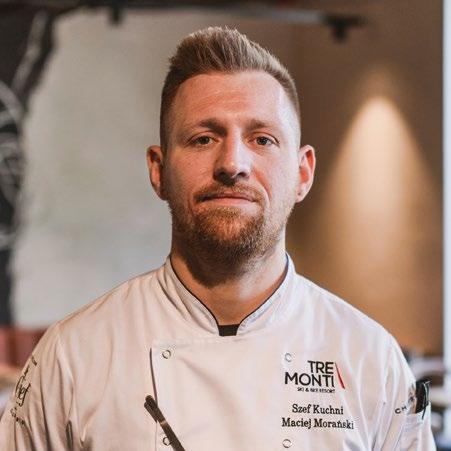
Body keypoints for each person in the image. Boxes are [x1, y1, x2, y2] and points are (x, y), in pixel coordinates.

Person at [0, 26, 435, 450]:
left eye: (262, 139)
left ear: (302, 173)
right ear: (159, 170)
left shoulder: (371, 359)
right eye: (203, 138)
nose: (232, 164)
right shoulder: (71, 358)